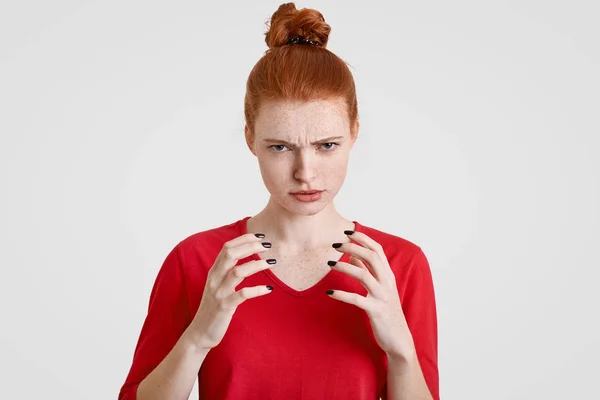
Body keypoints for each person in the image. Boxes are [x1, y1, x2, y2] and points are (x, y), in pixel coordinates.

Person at [118, 3, 439, 399]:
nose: (305, 172)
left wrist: (402, 352)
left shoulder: (398, 266)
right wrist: (198, 337)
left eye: (327, 145)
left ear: (354, 133)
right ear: (251, 138)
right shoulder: (196, 261)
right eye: (281, 146)